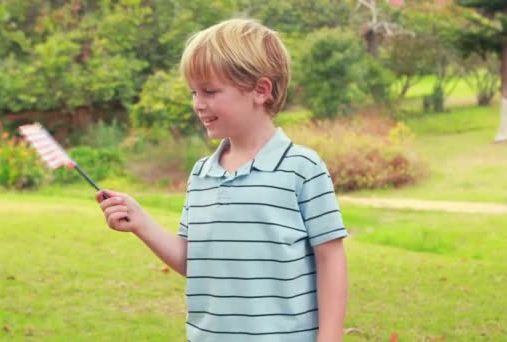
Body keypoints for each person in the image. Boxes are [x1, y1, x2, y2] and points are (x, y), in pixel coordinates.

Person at [97, 18, 348, 342]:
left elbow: (331, 258)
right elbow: (194, 262)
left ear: (260, 90)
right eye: (194, 92)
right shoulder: (202, 174)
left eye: (210, 91)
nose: (198, 104)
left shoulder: (301, 167)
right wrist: (140, 222)